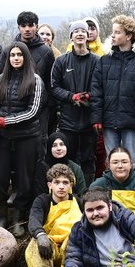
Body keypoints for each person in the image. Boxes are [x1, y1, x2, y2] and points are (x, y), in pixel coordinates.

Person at [0, 41, 46, 235]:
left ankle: (19, 218)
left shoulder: (35, 80)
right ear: (8, 58)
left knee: (24, 181)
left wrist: (8, 121)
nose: (16, 58)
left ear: (25, 57)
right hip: (4, 139)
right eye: (12, 55)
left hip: (27, 137)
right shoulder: (0, 79)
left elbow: (33, 111)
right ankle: (2, 215)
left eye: (19, 55)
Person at [91, 14, 135, 171]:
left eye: (118, 32)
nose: (113, 35)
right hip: (109, 123)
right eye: (112, 32)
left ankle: (132, 195)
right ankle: (112, 195)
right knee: (111, 164)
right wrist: (96, 118)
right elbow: (96, 91)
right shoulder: (104, 60)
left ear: (129, 36)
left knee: (132, 164)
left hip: (133, 126)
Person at [26, 164, 84, 267]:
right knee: (33, 245)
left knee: (74, 244)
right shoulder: (42, 201)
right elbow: (34, 220)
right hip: (48, 247)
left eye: (65, 182)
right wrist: (40, 235)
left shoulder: (79, 201)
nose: (61, 187)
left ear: (71, 185)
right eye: (57, 182)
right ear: (49, 185)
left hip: (71, 247)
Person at [51, 20, 99, 181]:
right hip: (68, 122)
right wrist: (71, 97)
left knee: (88, 159)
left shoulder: (96, 61)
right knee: (67, 159)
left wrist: (90, 97)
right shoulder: (61, 61)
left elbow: (101, 87)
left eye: (83, 31)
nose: (80, 34)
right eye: (76, 31)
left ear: (87, 36)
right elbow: (54, 87)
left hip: (89, 121)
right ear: (71, 36)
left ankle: (88, 195)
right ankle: (67, 194)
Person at [38, 131, 88, 197]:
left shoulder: (75, 168)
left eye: (62, 144)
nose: (59, 148)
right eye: (54, 145)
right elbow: (39, 194)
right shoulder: (42, 168)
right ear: (49, 148)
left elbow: (82, 194)